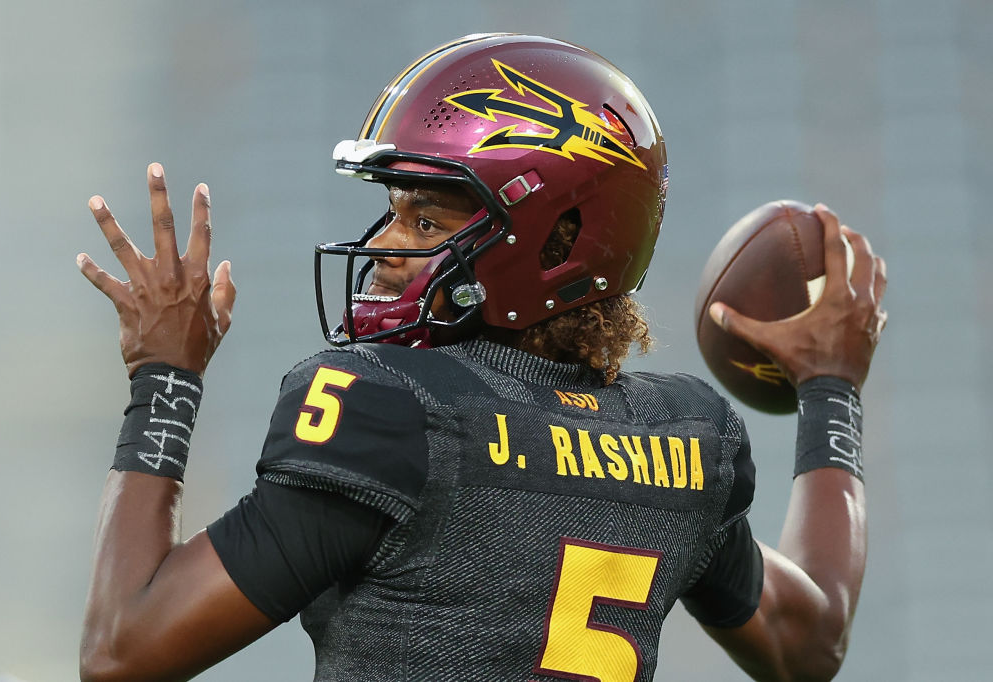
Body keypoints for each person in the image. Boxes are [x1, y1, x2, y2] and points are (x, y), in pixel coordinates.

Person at [77, 34, 887, 682]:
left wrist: (165, 375)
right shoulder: (686, 440)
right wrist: (832, 389)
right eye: (393, 213)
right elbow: (808, 642)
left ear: (558, 241)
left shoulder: (389, 415)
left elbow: (124, 650)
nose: (386, 249)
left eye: (426, 224)